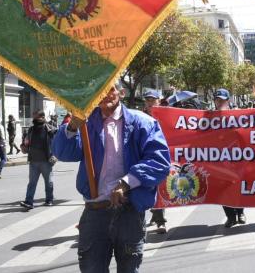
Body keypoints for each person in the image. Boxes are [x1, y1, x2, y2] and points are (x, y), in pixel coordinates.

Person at [52, 82, 171, 273]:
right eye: (100, 90)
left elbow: (159, 162)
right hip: (95, 211)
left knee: (129, 269)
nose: (105, 95)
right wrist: (72, 126)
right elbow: (64, 153)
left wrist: (126, 183)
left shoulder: (143, 122)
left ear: (121, 93)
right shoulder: (86, 123)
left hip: (129, 211)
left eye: (110, 89)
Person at [214, 88, 246, 228]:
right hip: (217, 159)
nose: (220, 102)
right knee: (222, 189)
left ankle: (240, 213)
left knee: (238, 186)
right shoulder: (207, 116)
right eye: (218, 100)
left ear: (228, 101)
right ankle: (230, 217)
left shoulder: (238, 114)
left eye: (223, 100)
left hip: (236, 158)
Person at [20, 111, 57, 209]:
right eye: (35, 117)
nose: (36, 118)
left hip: (47, 161)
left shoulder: (50, 129)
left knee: (48, 182)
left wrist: (55, 155)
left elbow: (57, 144)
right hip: (33, 161)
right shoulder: (31, 130)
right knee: (32, 183)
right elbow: (26, 142)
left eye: (38, 116)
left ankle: (49, 199)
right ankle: (29, 202)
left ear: (43, 117)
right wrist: (24, 146)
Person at [143, 89, 168, 234]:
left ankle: (160, 221)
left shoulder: (166, 116)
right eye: (148, 100)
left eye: (153, 100)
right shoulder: (138, 116)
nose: (150, 103)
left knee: (158, 189)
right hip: (141, 158)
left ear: (159, 101)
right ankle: (153, 214)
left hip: (159, 158)